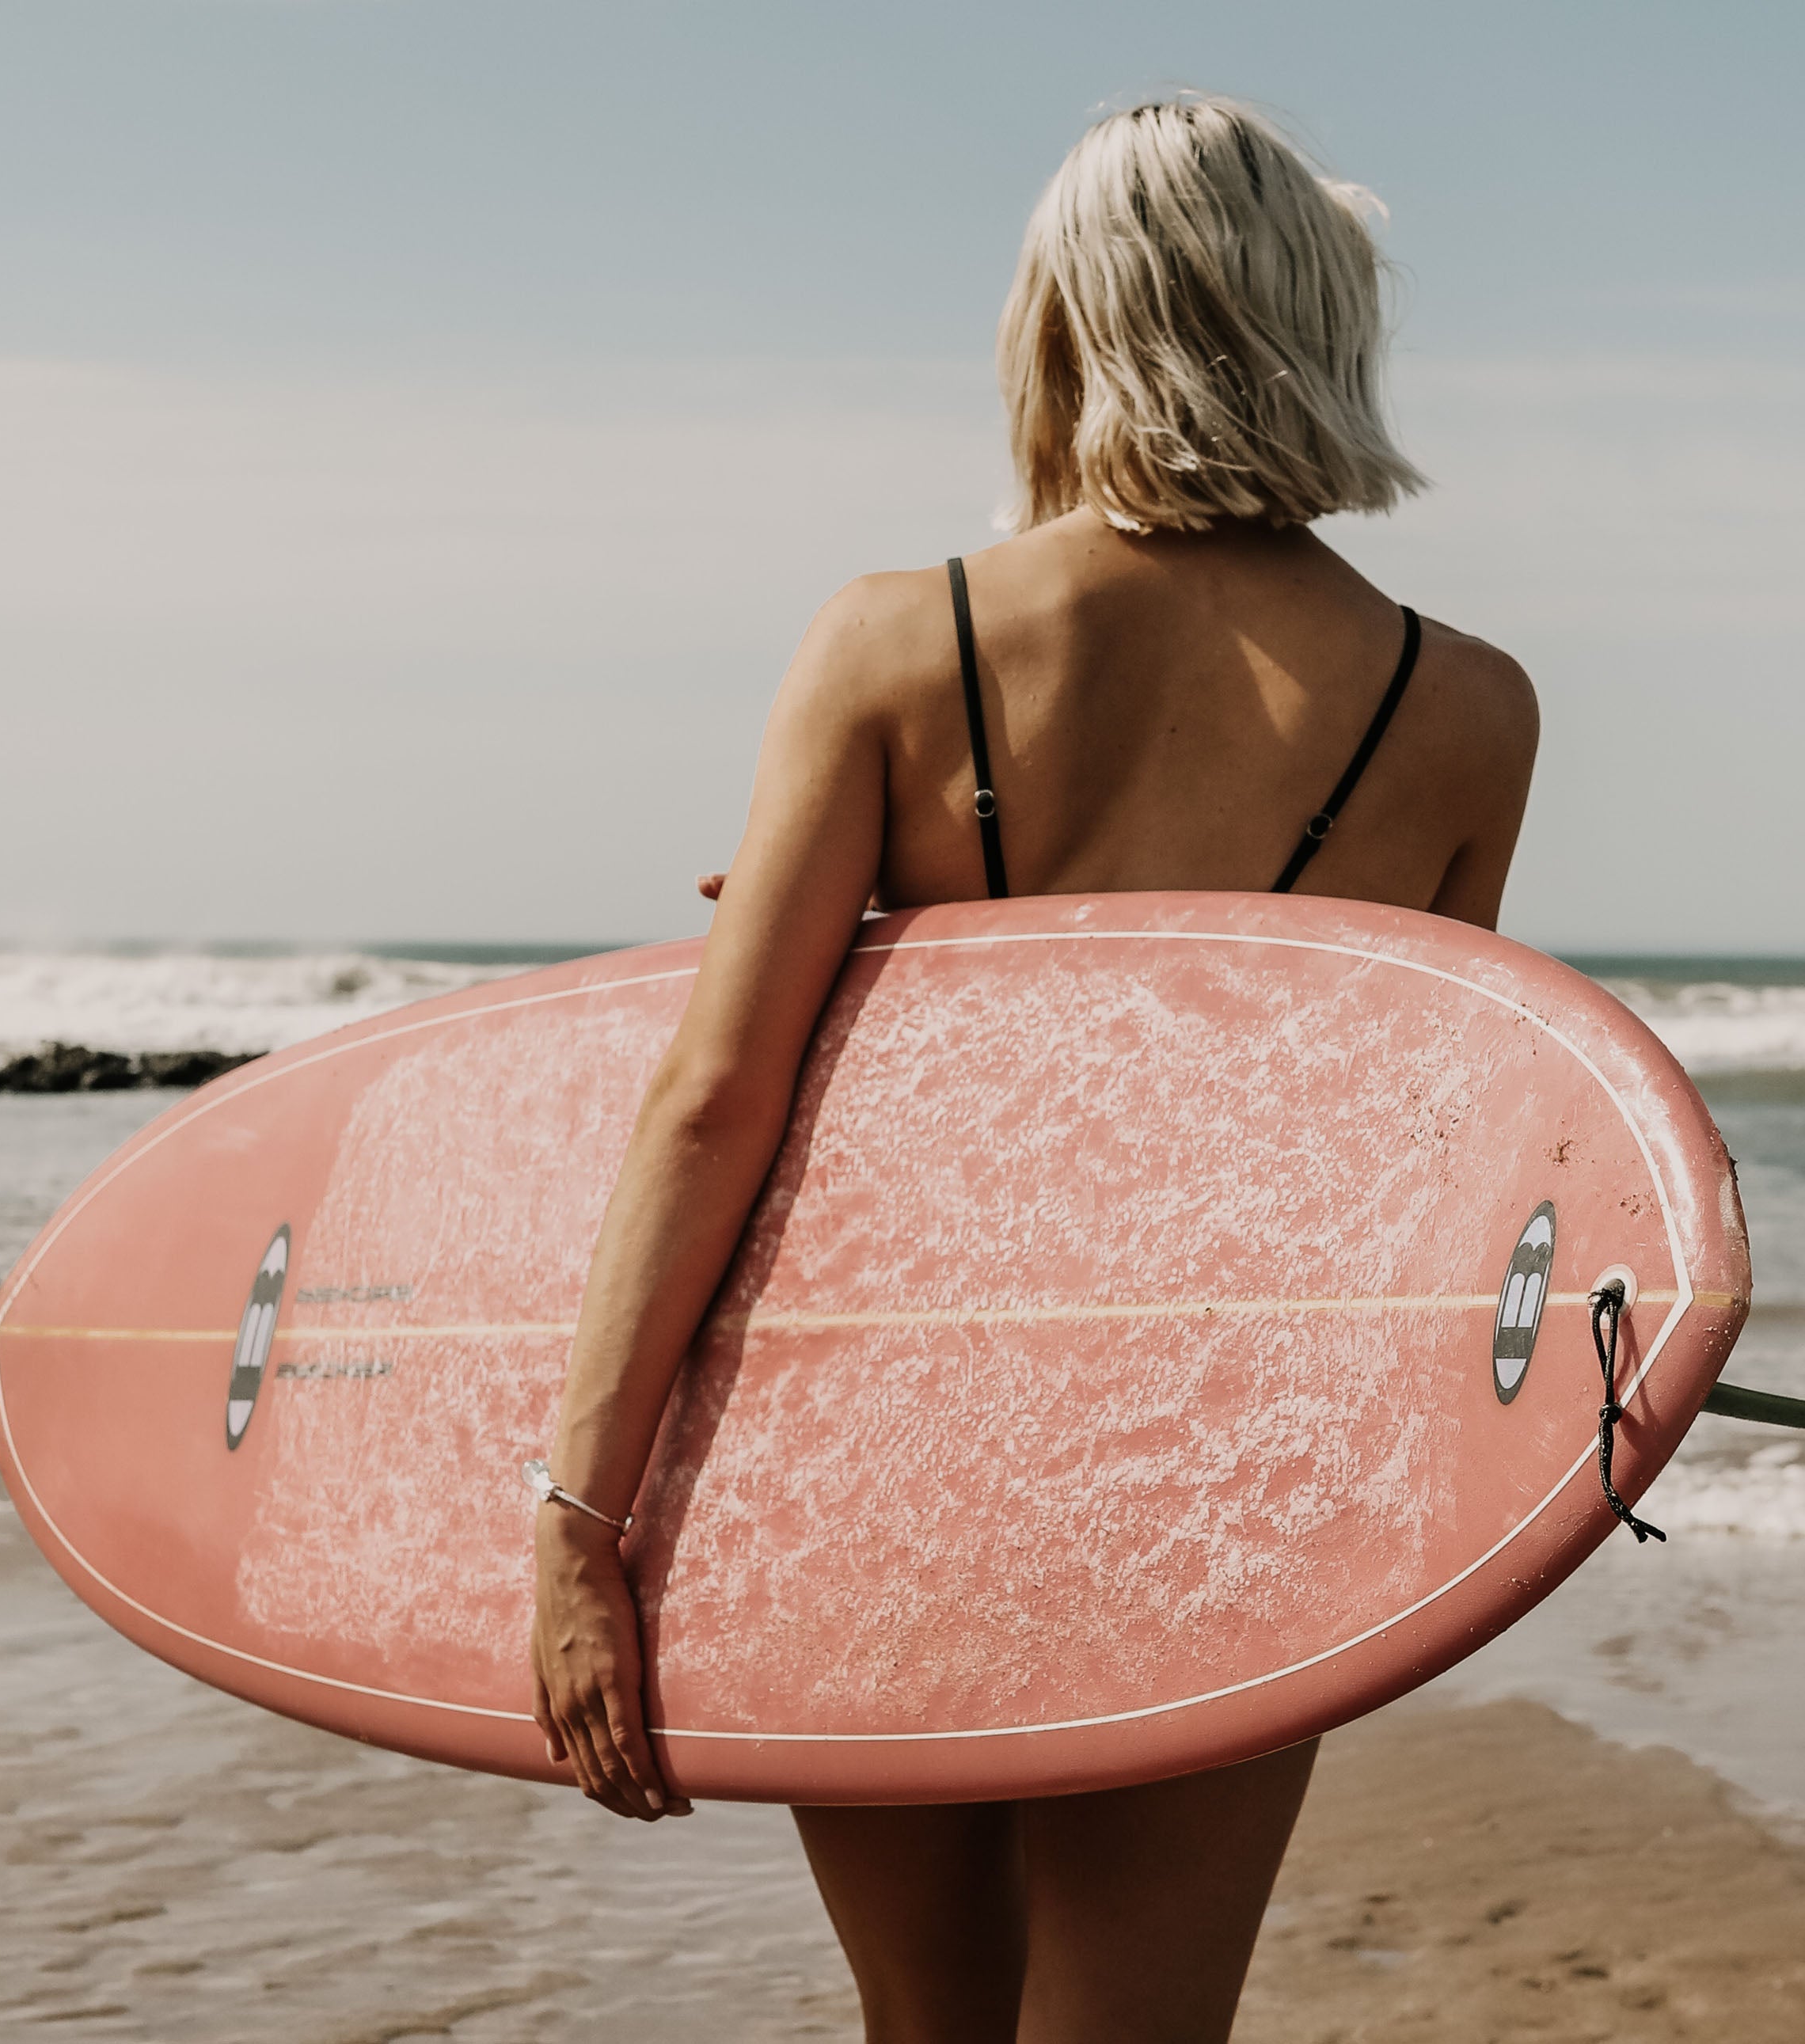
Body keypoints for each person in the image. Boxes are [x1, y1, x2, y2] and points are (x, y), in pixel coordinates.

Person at [528, 93, 1539, 2044]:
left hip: (879, 1437)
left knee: (928, 2024)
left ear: (1062, 318)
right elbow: (1401, 1157)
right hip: (1227, 1461)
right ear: (1318, 317)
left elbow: (716, 1101)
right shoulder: (1464, 711)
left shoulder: (895, 644)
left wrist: (582, 1516)